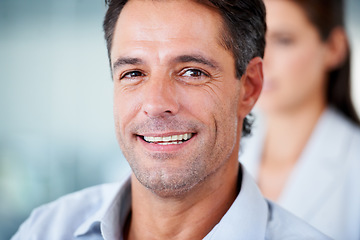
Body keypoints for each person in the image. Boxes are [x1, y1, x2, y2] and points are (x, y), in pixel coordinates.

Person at [11, 0, 329, 239]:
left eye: (192, 72)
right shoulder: (46, 229)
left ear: (249, 88)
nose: (155, 104)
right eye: (133, 73)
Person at [241, 0, 360, 239]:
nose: (261, 60)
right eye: (257, 40)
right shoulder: (229, 148)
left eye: (283, 40)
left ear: (334, 47)